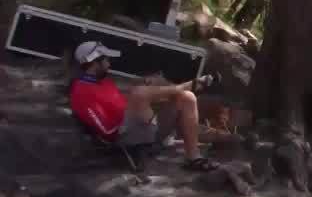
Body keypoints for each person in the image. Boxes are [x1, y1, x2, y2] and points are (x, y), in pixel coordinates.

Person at [69, 41, 216, 170]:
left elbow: (120, 102)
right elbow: (107, 132)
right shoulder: (81, 92)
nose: (109, 63)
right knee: (140, 92)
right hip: (123, 137)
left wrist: (144, 91)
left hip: (142, 127)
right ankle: (189, 85)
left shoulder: (105, 82)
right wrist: (139, 98)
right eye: (106, 59)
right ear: (95, 63)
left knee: (187, 97)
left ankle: (194, 158)